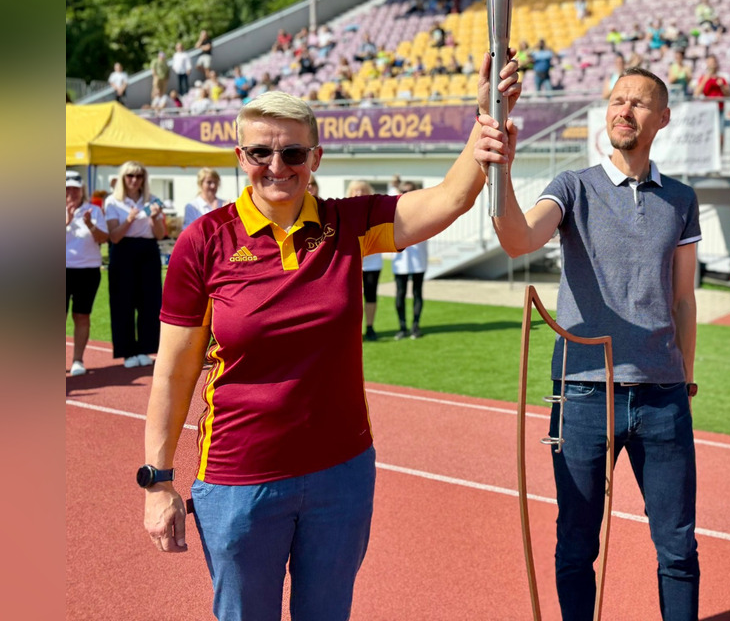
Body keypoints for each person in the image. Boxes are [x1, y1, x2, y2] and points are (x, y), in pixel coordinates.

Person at [142, 55, 522, 620]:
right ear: (240, 157)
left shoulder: (347, 224)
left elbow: (450, 199)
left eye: (293, 152)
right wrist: (157, 482)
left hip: (340, 475)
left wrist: (486, 114)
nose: (278, 166)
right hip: (241, 480)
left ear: (315, 159)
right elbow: (172, 373)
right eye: (261, 153)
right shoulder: (205, 241)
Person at [476, 65, 701, 621]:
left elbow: (685, 299)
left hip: (662, 397)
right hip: (582, 396)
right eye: (617, 99)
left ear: (663, 119)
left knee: (678, 548)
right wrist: (499, 169)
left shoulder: (681, 198)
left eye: (639, 103)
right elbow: (517, 239)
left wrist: (685, 377)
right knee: (576, 545)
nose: (624, 109)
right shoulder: (572, 186)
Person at [104, 161, 166, 369]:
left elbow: (160, 234)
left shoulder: (153, 200)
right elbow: (114, 237)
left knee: (149, 302)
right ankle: (127, 350)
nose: (134, 180)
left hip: (148, 251)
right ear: (123, 178)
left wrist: (156, 219)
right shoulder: (112, 202)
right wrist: (129, 219)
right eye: (130, 176)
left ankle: (145, 348)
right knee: (123, 302)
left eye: (138, 176)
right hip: (123, 251)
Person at [66, 174, 108, 376]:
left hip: (88, 271)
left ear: (82, 190)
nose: (71, 193)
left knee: (82, 316)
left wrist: (90, 224)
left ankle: (77, 360)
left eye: (75, 188)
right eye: (66, 189)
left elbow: (103, 239)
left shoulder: (95, 210)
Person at [347, 180, 384, 341]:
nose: (359, 193)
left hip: (372, 262)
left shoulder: (376, 211)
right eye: (356, 190)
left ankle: (369, 327)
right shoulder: (345, 211)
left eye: (363, 190)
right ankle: (352, 329)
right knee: (351, 297)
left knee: (370, 295)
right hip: (352, 262)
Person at [392, 182, 428, 340]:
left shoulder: (423, 210)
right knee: (400, 294)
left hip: (418, 260)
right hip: (400, 262)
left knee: (417, 293)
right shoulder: (394, 211)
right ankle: (402, 327)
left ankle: (415, 326)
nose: (406, 194)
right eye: (403, 191)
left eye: (409, 191)